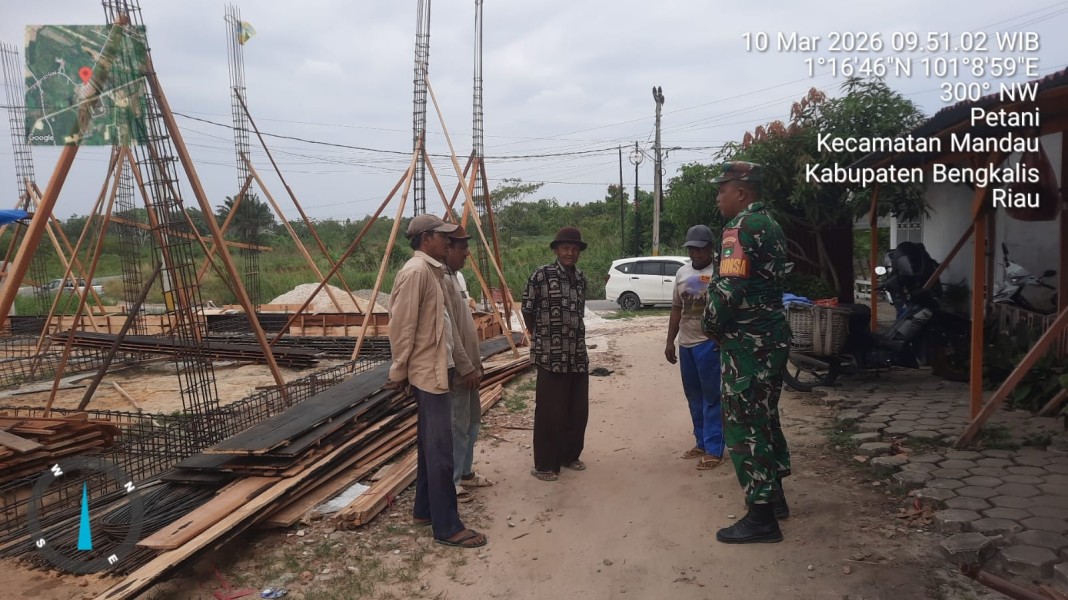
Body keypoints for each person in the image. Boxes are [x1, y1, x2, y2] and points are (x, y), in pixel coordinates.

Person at [702, 161, 792, 544]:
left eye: (722, 189)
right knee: (765, 418)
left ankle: (760, 518)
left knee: (743, 424)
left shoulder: (739, 228)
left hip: (746, 345)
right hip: (771, 338)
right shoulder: (771, 224)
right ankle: (775, 501)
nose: (719, 196)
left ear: (742, 192)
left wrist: (710, 326)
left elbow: (729, 289)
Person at [386, 213, 487, 549]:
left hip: (439, 371)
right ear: (426, 238)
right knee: (441, 451)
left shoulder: (435, 273)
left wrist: (463, 364)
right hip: (427, 374)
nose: (448, 242)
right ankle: (447, 527)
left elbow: (447, 329)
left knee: (431, 448)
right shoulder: (415, 273)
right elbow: (401, 327)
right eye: (443, 237)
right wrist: (399, 372)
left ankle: (424, 510)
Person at [521, 227, 589, 482]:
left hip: (577, 354)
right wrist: (540, 337)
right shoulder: (541, 275)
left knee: (577, 409)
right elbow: (527, 309)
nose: (570, 253)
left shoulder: (580, 279)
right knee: (550, 410)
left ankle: (569, 455)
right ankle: (545, 464)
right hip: (551, 355)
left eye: (574, 249)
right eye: (565, 248)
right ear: (556, 250)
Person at [665, 224, 724, 471]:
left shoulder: (720, 273)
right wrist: (670, 341)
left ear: (710, 248)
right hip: (686, 345)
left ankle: (714, 449)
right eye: (692, 249)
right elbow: (677, 308)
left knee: (712, 397)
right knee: (694, 396)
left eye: (700, 249)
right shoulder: (682, 273)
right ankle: (700, 441)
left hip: (708, 344)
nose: (696, 254)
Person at [442, 226, 493, 502]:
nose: (467, 253)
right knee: (457, 425)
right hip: (460, 371)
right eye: (462, 248)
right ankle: (453, 481)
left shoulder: (456, 279)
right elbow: (450, 335)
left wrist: (476, 364)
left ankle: (466, 472)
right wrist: (465, 367)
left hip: (472, 367)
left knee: (473, 422)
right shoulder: (440, 281)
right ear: (446, 248)